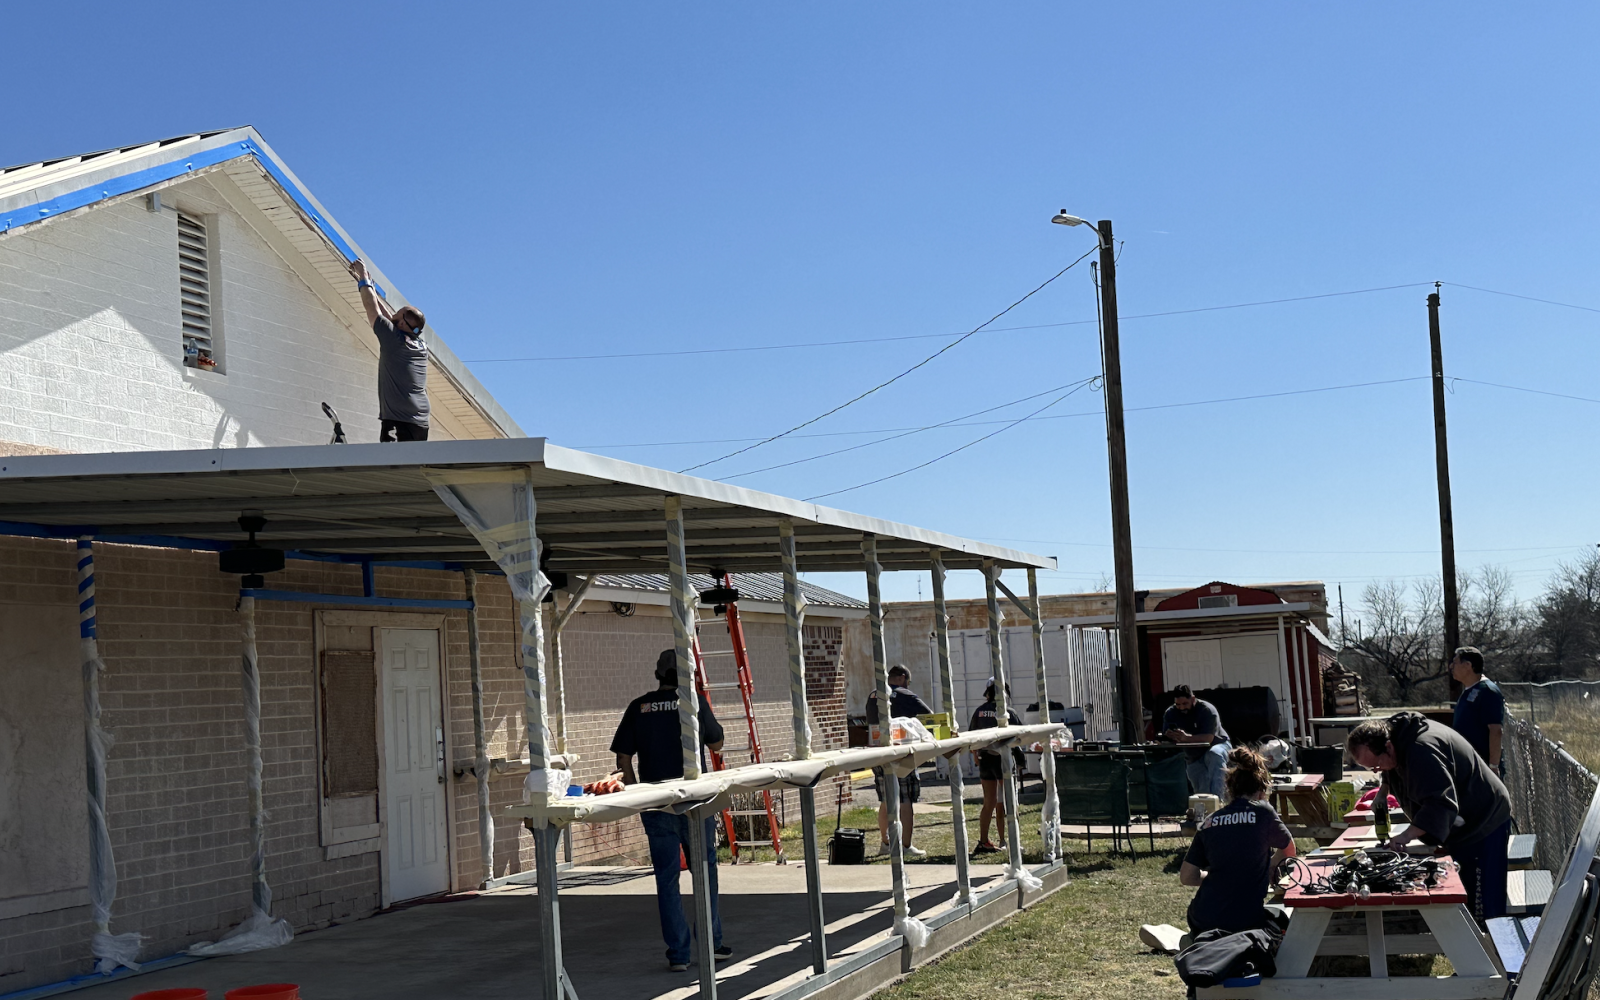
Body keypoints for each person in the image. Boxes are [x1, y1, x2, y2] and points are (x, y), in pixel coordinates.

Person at [610, 649, 734, 972]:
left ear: (658, 675)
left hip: (656, 804)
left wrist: (638, 795)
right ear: (687, 676)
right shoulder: (693, 703)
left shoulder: (639, 707)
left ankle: (679, 954)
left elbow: (623, 760)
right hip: (695, 804)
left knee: (667, 880)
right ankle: (712, 943)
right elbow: (717, 744)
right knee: (704, 873)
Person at [1347, 712, 1513, 921]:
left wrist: (1406, 836)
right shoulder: (1395, 738)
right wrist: (1383, 791)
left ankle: (1494, 945)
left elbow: (1440, 804)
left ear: (1388, 747)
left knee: (1484, 896)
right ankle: (1468, 937)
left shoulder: (1422, 751)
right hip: (1462, 821)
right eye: (1371, 769)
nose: (1376, 770)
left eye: (1376, 766)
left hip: (1485, 816)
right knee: (1463, 886)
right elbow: (1389, 769)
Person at [1180, 746, 1297, 935]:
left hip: (1201, 918)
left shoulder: (1210, 822)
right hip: (1245, 920)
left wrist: (1219, 877)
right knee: (1282, 921)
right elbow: (1289, 850)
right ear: (1261, 792)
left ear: (1230, 789)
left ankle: (1202, 940)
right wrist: (1270, 867)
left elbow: (1187, 877)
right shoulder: (1263, 812)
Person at [349, 259, 430, 442]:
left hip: (399, 420)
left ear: (402, 323)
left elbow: (373, 310)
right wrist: (370, 287)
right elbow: (390, 320)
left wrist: (363, 277)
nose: (393, 314)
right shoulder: (420, 345)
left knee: (395, 464)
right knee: (413, 465)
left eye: (398, 313)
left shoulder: (395, 341)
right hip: (420, 421)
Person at [865, 664, 933, 858]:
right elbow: (930, 717)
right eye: (908, 682)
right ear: (903, 678)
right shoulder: (905, 695)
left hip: (877, 751)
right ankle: (905, 845)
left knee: (886, 799)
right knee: (905, 800)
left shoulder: (873, 695)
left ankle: (885, 843)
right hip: (901, 753)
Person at [968, 679, 1023, 855]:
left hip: (985, 760)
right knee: (1007, 803)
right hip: (1003, 761)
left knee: (989, 802)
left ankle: (984, 840)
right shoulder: (1008, 712)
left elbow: (971, 738)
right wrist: (1021, 761)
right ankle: (1008, 840)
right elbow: (1020, 737)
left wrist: (976, 756)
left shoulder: (979, 712)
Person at [1162, 685, 1232, 798]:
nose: (1181, 708)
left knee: (1214, 755)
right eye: (1178, 704)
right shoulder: (1170, 713)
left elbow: (1209, 738)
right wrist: (1170, 735)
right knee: (1201, 792)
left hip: (1217, 744)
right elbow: (1165, 733)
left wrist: (1186, 738)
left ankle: (1219, 800)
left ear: (1193, 699)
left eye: (1185, 704)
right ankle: (1205, 809)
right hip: (1193, 754)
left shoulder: (1207, 710)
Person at [1450, 646, 1505, 771]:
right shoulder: (1469, 690)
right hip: (1468, 765)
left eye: (1455, 662)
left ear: (1468, 665)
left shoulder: (1487, 691)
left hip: (1482, 768)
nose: (1451, 667)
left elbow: (1496, 730)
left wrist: (1493, 767)